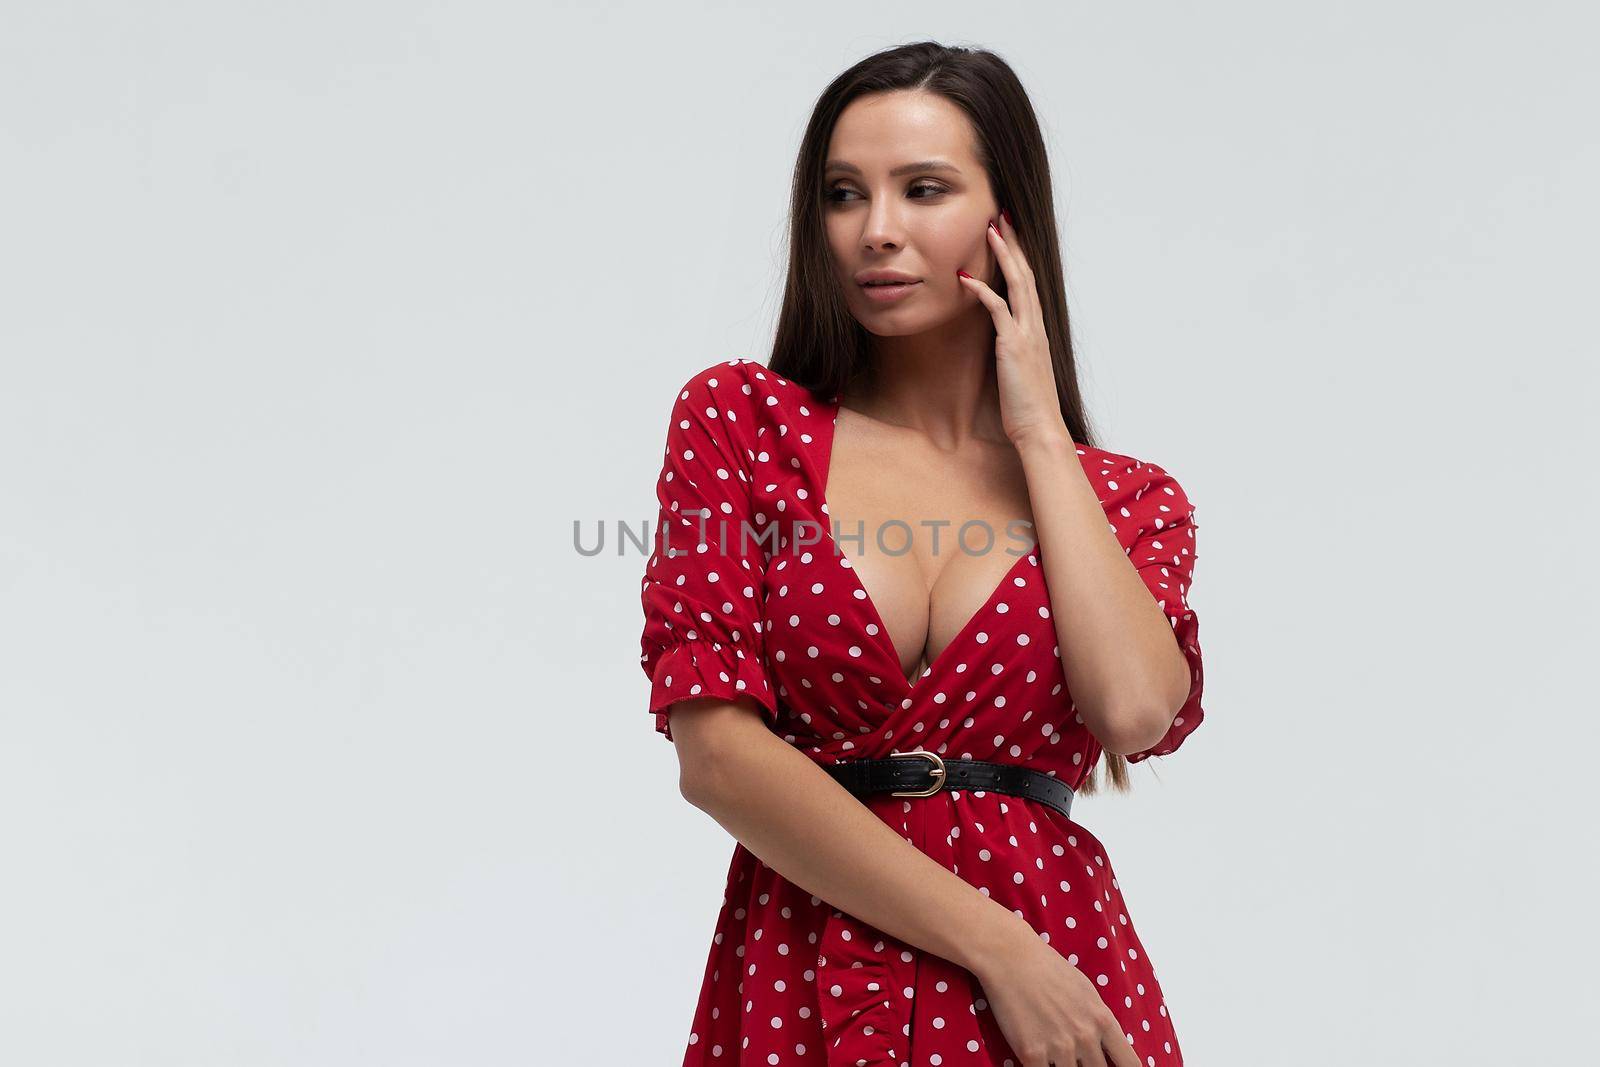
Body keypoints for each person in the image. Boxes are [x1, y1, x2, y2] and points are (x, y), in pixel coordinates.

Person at [638, 41, 1205, 1067]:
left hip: (1063, 1007)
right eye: (844, 194)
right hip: (814, 967)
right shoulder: (742, 425)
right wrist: (1002, 951)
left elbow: (1131, 708)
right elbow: (716, 755)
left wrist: (1038, 436)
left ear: (1008, 220)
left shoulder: (1126, 500)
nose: (876, 231)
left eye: (924, 188)